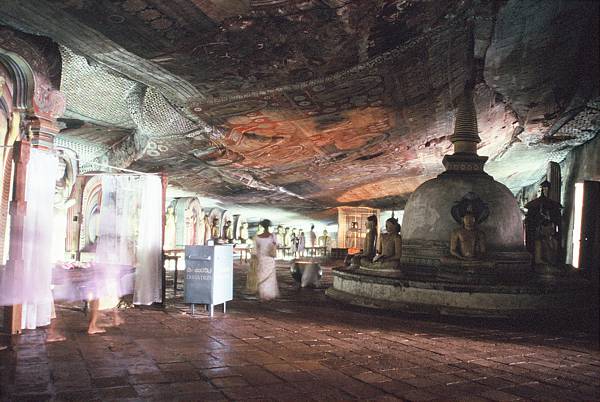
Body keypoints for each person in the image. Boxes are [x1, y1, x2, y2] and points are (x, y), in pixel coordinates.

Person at [253, 219, 280, 300]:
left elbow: (255, 251)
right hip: (270, 259)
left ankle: (263, 294)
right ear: (269, 226)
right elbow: (277, 246)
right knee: (270, 277)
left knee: (261, 275)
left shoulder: (257, 237)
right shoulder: (273, 236)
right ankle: (270, 294)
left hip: (261, 259)